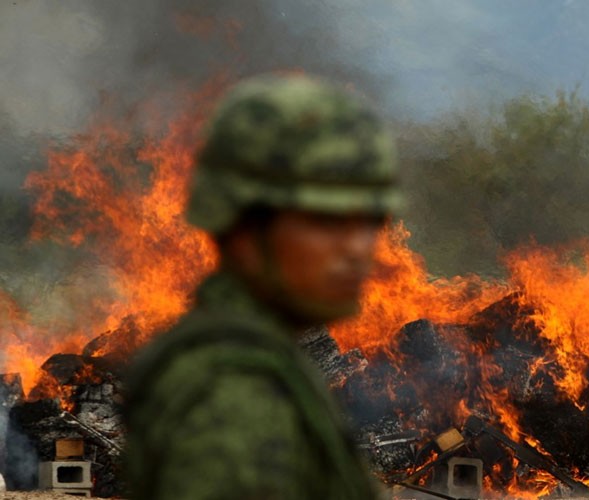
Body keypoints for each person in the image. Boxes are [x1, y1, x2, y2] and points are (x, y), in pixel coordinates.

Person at [124, 74, 400, 500]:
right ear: (245, 232)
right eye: (325, 222)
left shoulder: (266, 362)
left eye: (369, 222)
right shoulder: (231, 394)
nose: (359, 249)